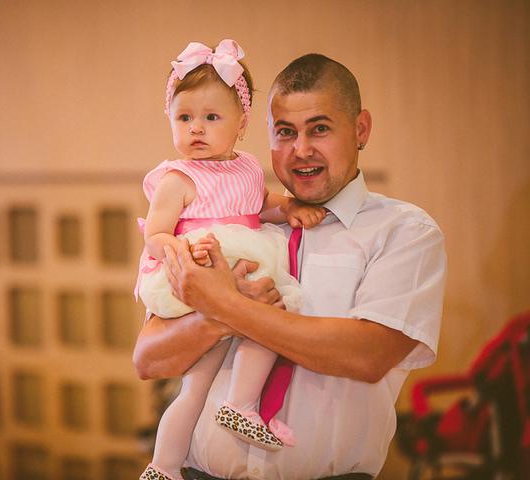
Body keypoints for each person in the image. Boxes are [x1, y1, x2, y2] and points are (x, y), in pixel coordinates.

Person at [133, 53, 447, 480]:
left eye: (320, 128)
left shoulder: (404, 232)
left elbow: (367, 355)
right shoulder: (236, 224)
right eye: (284, 132)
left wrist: (227, 305)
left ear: (360, 129)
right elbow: (148, 360)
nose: (301, 150)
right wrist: (213, 315)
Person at [137, 40, 326, 480]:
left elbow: (262, 205)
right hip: (199, 267)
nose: (196, 129)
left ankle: (235, 408)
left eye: (211, 117)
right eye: (184, 118)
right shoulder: (178, 178)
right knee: (205, 374)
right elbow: (155, 235)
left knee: (263, 325)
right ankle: (165, 463)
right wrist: (179, 251)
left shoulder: (248, 168)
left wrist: (290, 208)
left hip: (244, 260)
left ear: (241, 124)